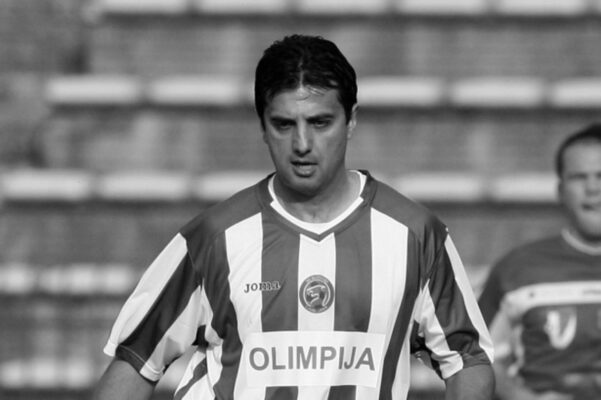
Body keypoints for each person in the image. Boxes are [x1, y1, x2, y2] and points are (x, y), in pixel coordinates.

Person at [92, 34, 494, 400]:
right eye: (284, 124)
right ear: (263, 127)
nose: (302, 143)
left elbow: (466, 360)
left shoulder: (415, 235)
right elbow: (135, 362)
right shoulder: (213, 238)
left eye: (320, 122)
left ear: (351, 120)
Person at [478, 123, 601, 400]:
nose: (593, 188)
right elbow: (477, 357)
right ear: (560, 190)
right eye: (579, 177)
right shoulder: (517, 269)